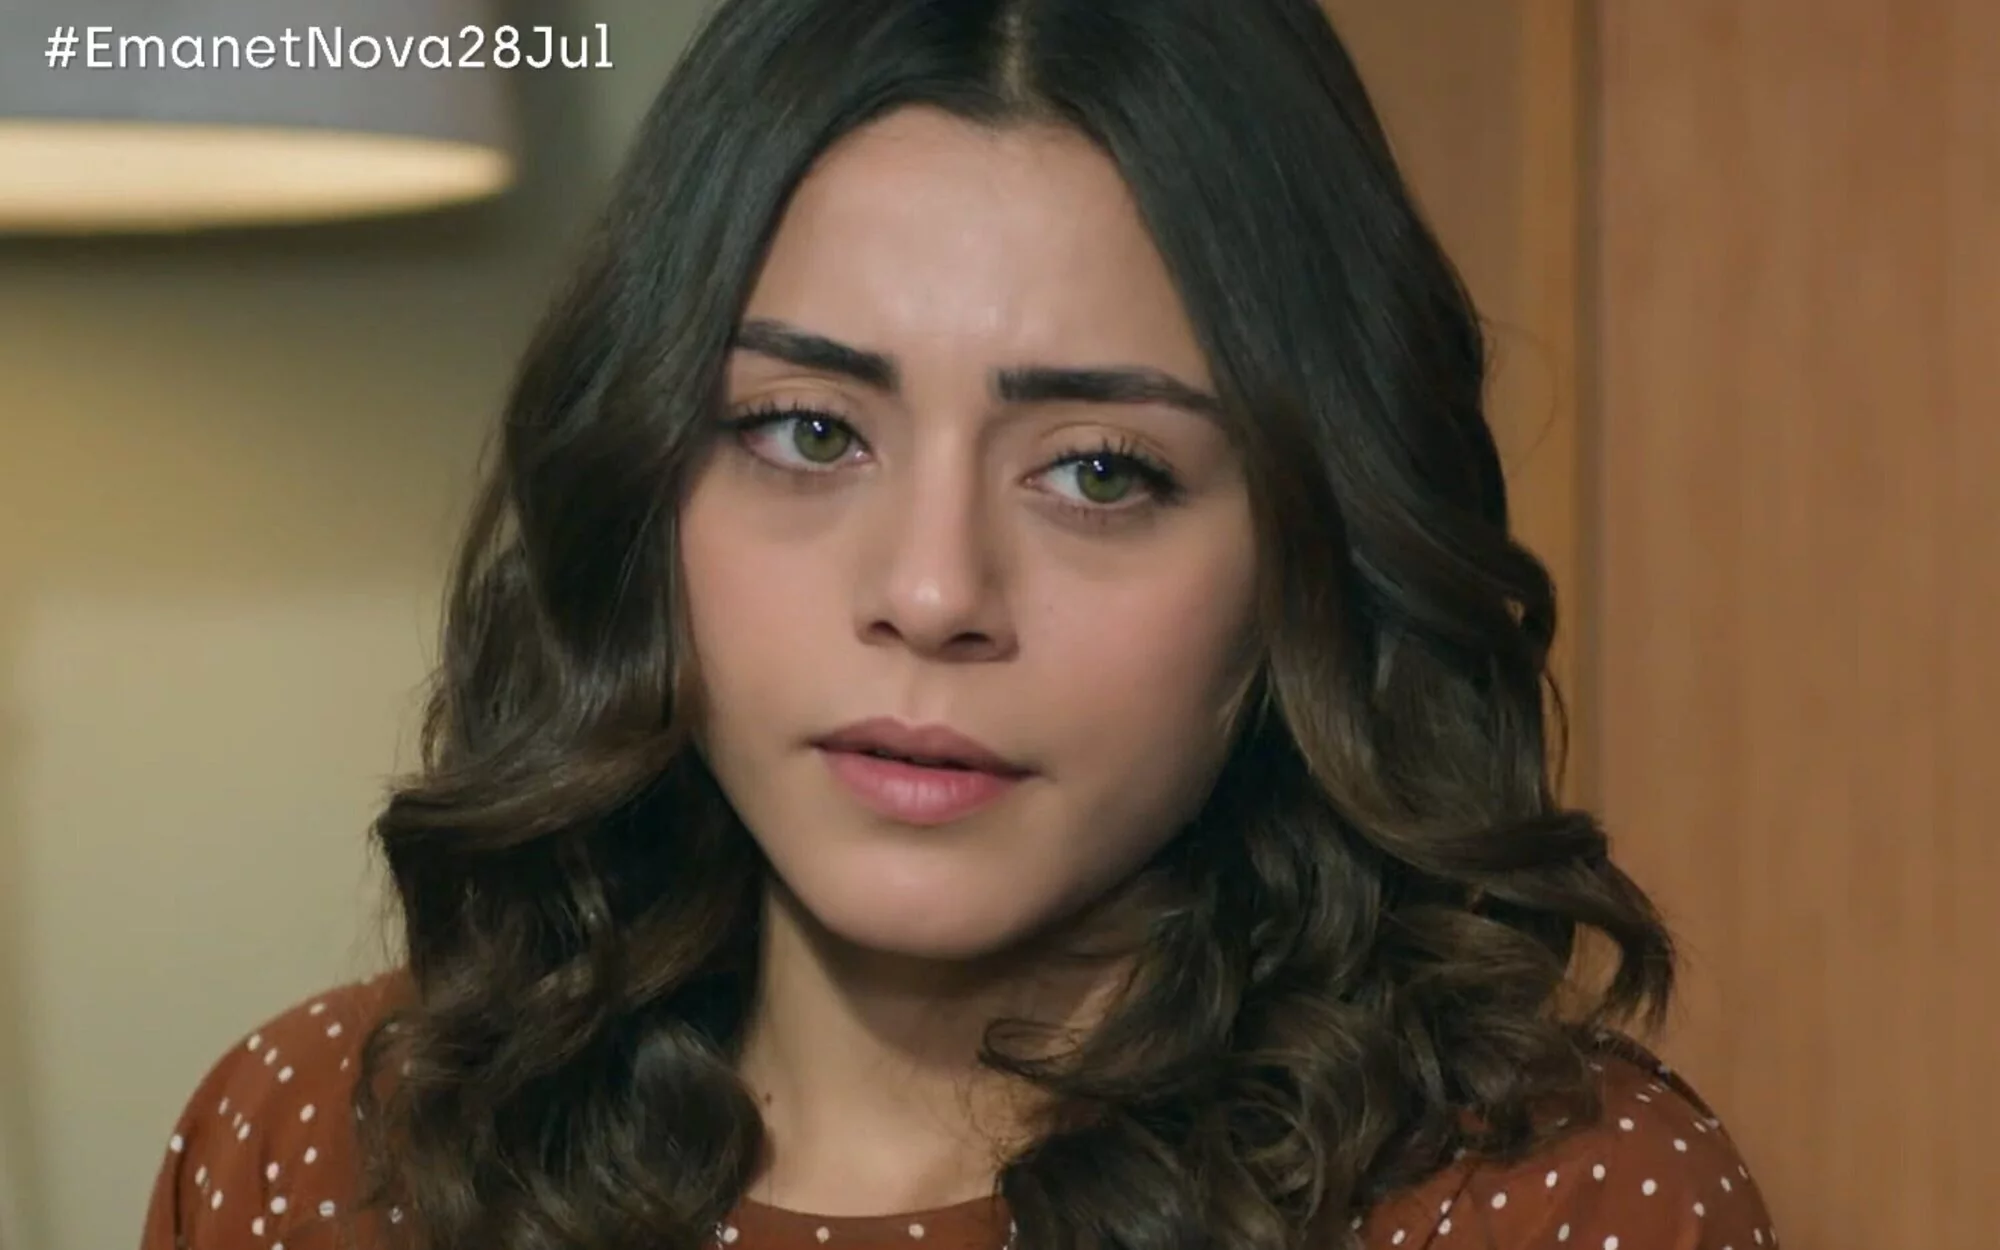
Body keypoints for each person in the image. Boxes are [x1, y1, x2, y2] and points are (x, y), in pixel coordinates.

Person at [140, 2, 1781, 1248]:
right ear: (641, 477)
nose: (931, 592)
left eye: (1100, 470)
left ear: (1304, 554)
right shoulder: (320, 1150)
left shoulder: (1547, 1201)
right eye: (809, 432)